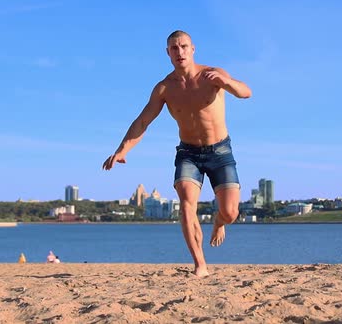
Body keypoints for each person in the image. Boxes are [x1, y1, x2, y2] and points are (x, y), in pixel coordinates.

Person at [102, 30, 252, 277]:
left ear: (193, 49)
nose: (180, 52)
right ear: (168, 53)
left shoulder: (212, 75)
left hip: (220, 150)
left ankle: (219, 222)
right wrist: (122, 150)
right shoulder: (164, 88)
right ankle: (200, 264)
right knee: (186, 204)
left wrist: (227, 83)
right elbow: (142, 122)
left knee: (230, 212)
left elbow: (246, 92)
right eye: (174, 48)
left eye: (184, 46)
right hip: (188, 153)